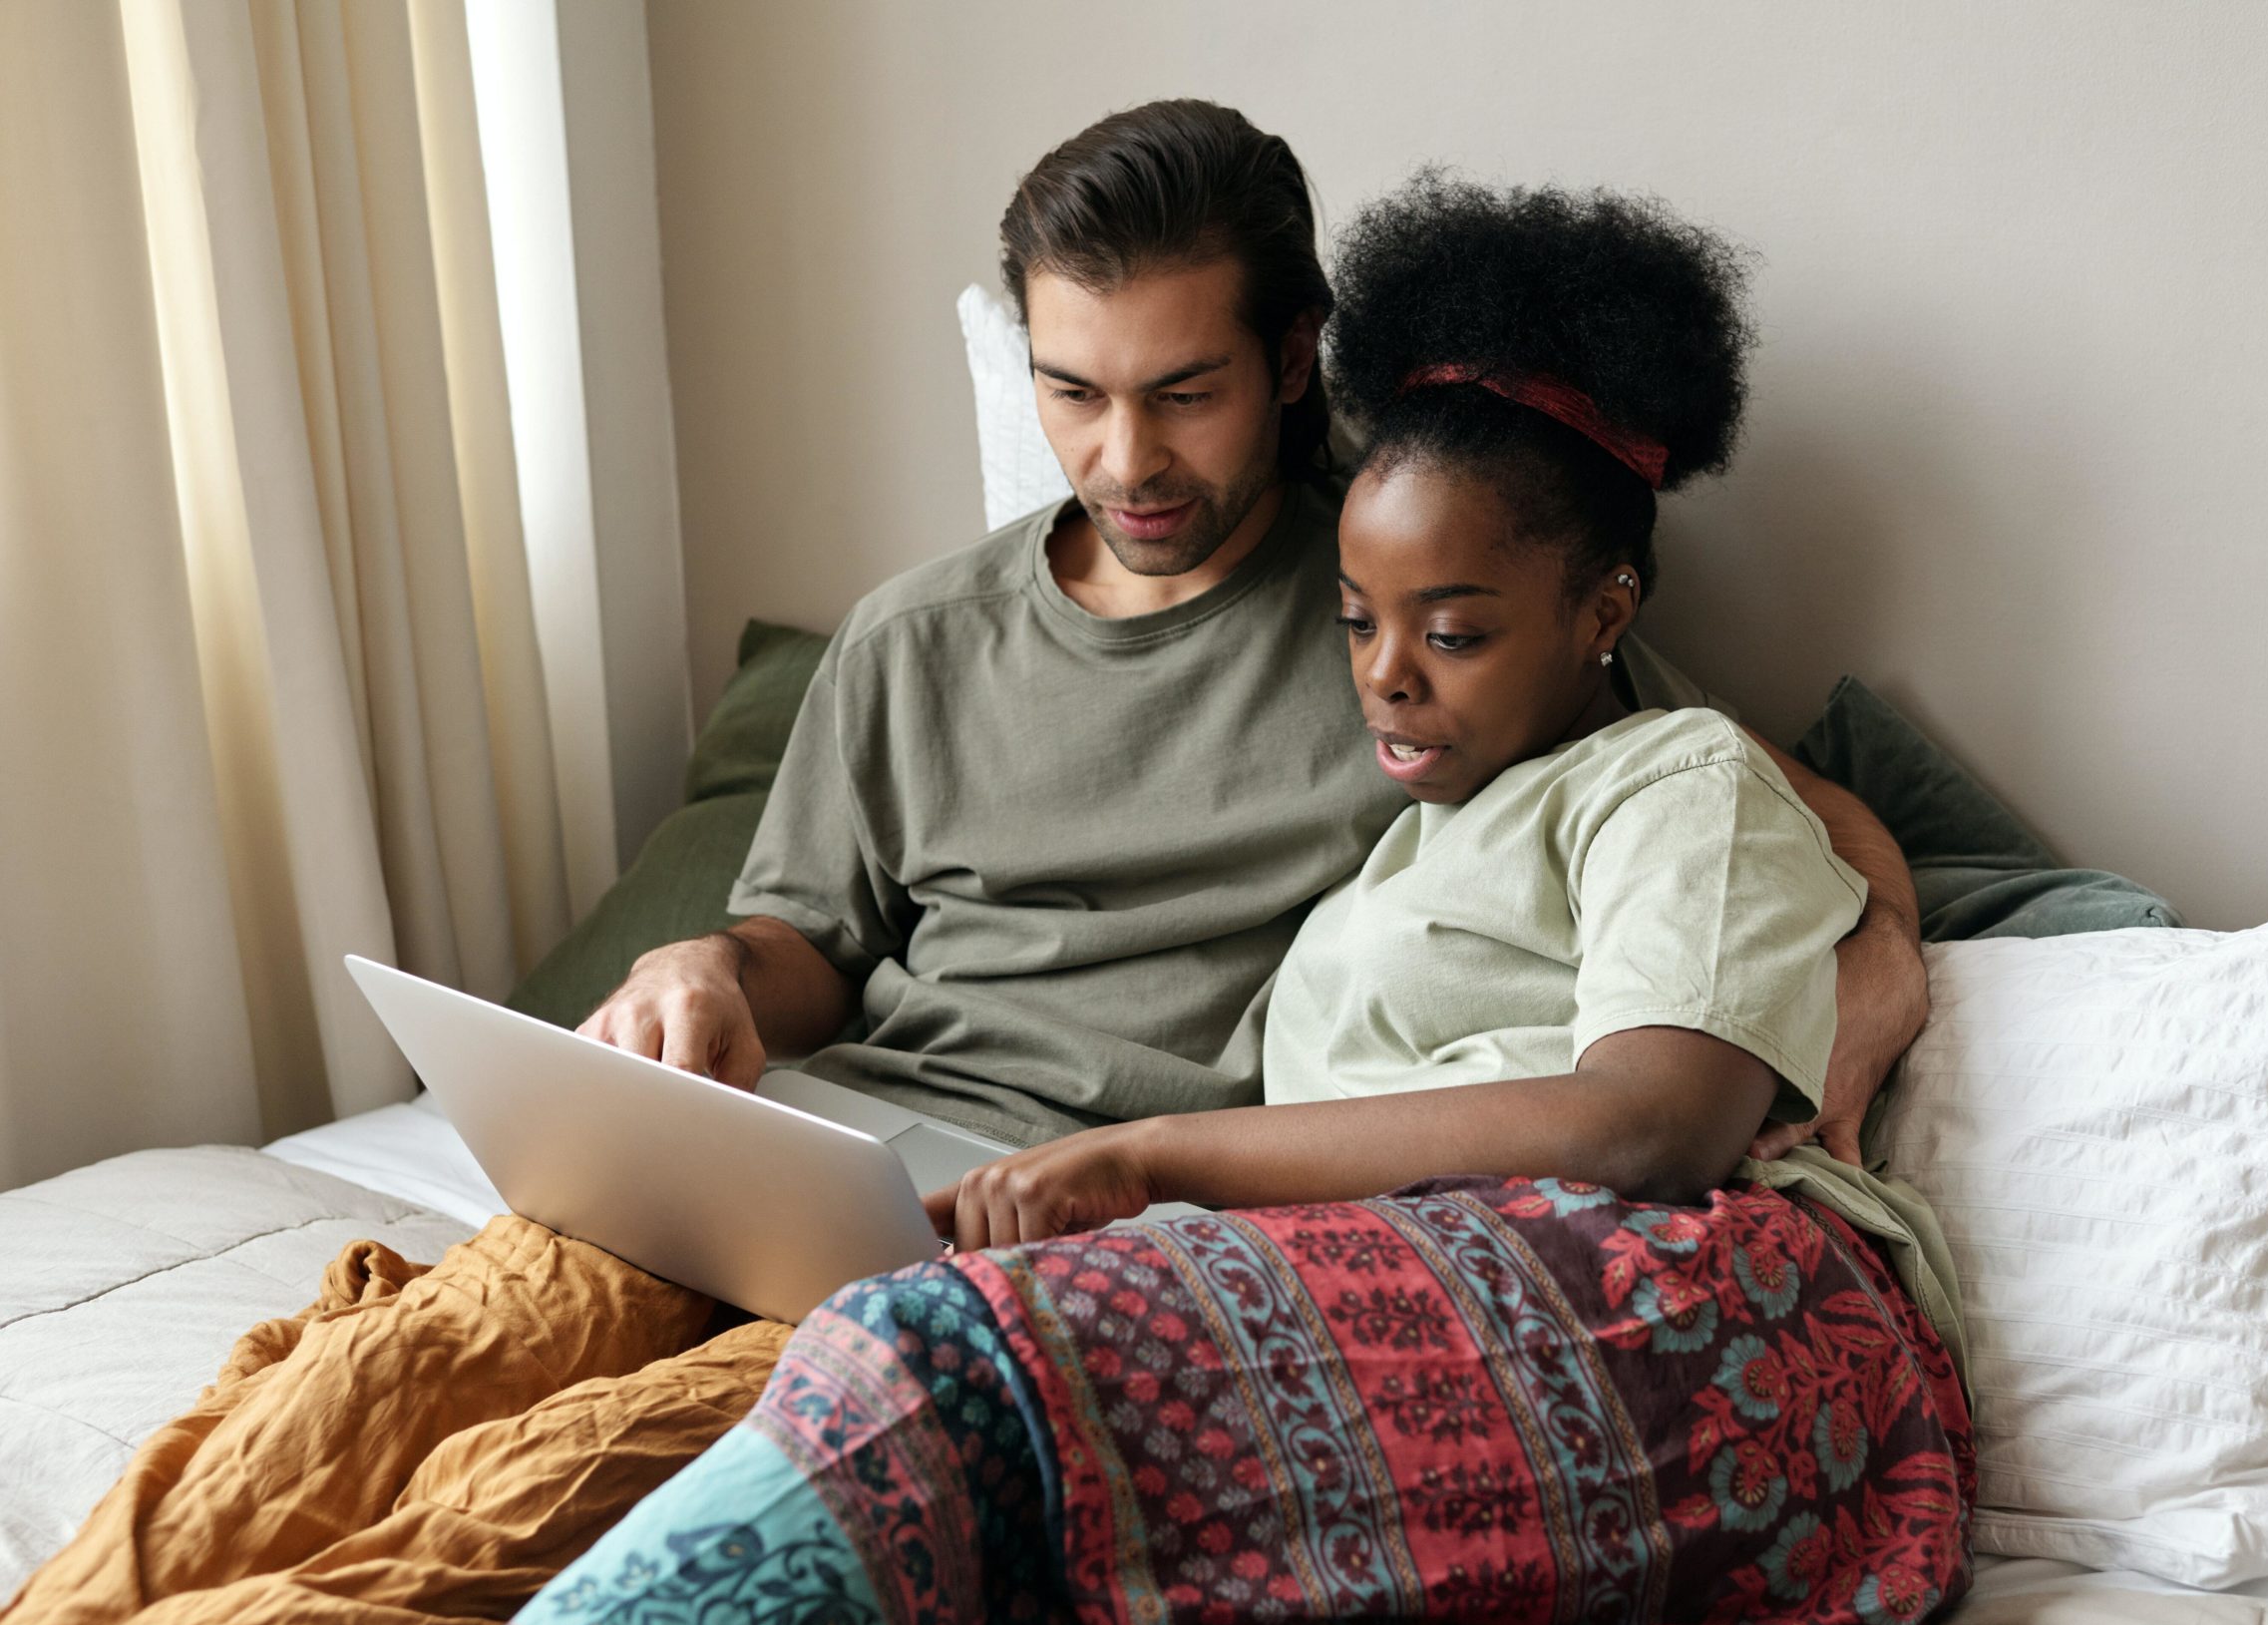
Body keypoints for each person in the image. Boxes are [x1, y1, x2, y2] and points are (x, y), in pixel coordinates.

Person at [418, 171, 1972, 1625]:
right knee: (964, 1523)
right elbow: (799, 942)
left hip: (1693, 1298)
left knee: (930, 1363)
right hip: (1368, 1263)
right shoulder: (1397, 839)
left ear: (1602, 612)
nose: (1385, 676)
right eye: (1359, 622)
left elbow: (1664, 1098)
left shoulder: (1646, 754)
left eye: (1454, 630)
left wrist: (1884, 941)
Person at [579, 98, 1930, 1171]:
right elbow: (802, 950)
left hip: (1120, 1203)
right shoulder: (910, 643)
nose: (1124, 461)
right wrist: (701, 968)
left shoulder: (1428, 608)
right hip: (840, 1140)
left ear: (1290, 363)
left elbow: (1753, 796)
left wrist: (1879, 960)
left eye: (1183, 393)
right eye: (1072, 393)